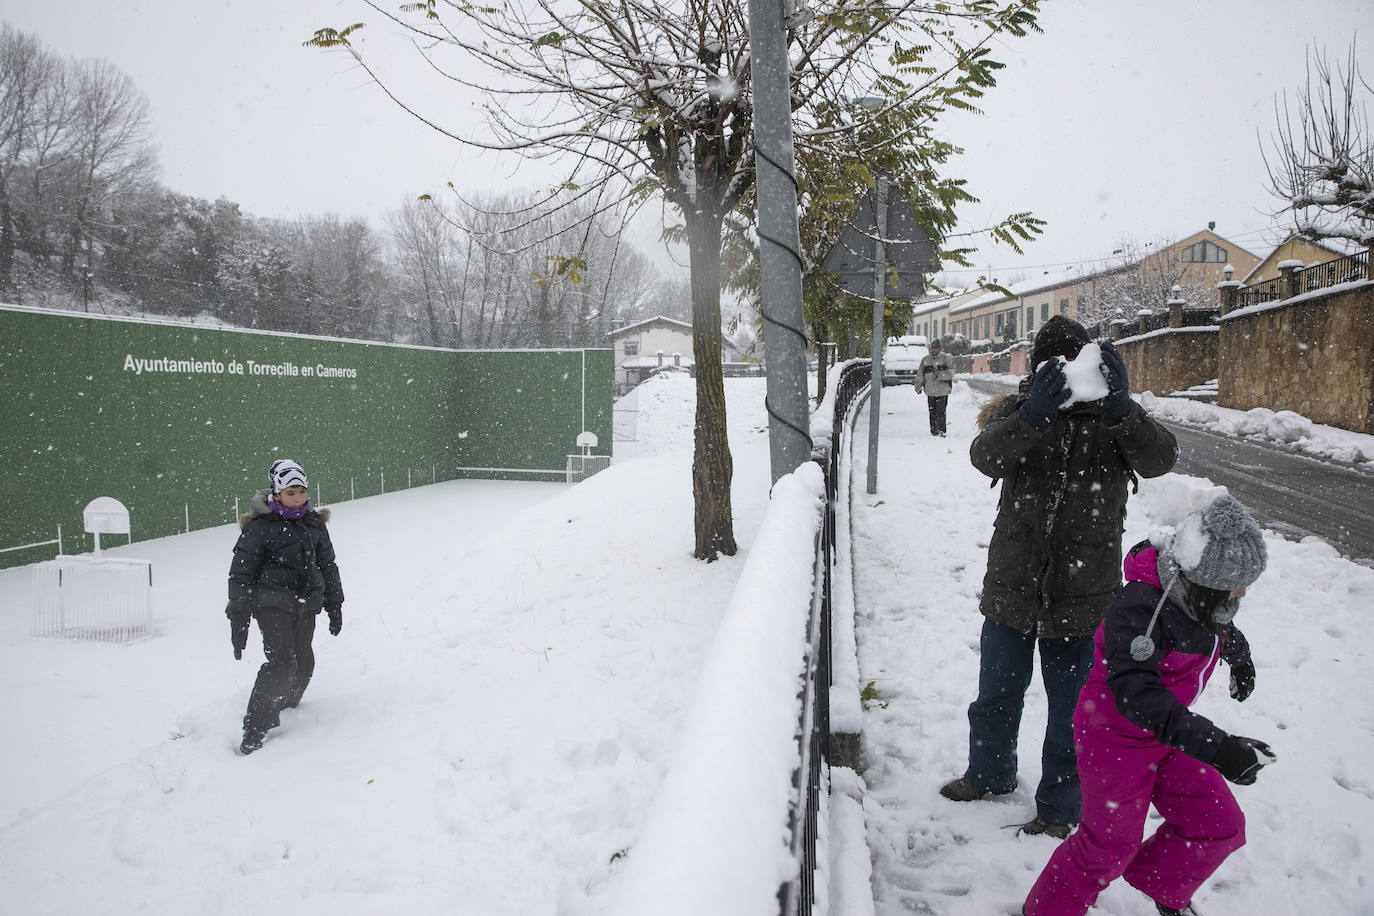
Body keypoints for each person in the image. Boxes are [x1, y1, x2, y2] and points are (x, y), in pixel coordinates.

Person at [940, 315, 1178, 837]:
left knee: (1073, 712)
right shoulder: (1021, 410)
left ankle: (1059, 808)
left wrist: (1122, 409)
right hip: (1013, 584)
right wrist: (1034, 415)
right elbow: (985, 456)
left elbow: (1161, 458)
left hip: (1084, 593)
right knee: (996, 693)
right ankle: (989, 774)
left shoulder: (1114, 423)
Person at [1024, 494, 1272, 916]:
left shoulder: (1198, 593)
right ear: (1204, 580)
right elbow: (1136, 693)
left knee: (1218, 824)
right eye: (1235, 585)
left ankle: (1162, 883)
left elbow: (1218, 621)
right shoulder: (1140, 610)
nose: (1242, 593)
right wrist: (1216, 746)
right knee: (1105, 850)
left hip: (1167, 732)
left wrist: (1239, 654)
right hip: (1115, 735)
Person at [226, 459, 344, 755]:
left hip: (307, 604)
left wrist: (334, 604)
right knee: (282, 662)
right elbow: (241, 575)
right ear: (276, 494)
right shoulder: (260, 529)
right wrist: (238, 620)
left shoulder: (313, 524)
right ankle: (256, 726)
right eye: (290, 492)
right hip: (271, 603)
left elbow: (327, 565)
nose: (297, 498)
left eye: (301, 491)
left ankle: (286, 703)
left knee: (304, 662)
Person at [914, 338, 956, 436]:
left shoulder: (946, 359)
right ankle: (933, 431)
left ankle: (941, 430)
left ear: (940, 349)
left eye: (936, 348)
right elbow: (920, 374)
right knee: (932, 412)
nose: (934, 350)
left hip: (943, 391)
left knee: (941, 412)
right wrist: (918, 386)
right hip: (930, 391)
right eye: (932, 348)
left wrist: (940, 374)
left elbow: (951, 373)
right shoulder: (925, 360)